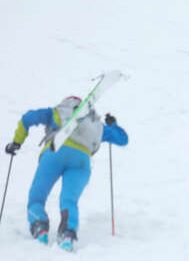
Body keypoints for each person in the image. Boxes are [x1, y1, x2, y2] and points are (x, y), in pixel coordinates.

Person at [5, 96, 128, 252]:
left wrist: (16, 142)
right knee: (69, 200)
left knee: (37, 196)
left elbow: (27, 119)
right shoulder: (95, 125)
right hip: (82, 160)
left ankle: (40, 227)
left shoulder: (56, 112)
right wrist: (113, 124)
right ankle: (67, 235)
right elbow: (122, 139)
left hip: (54, 153)